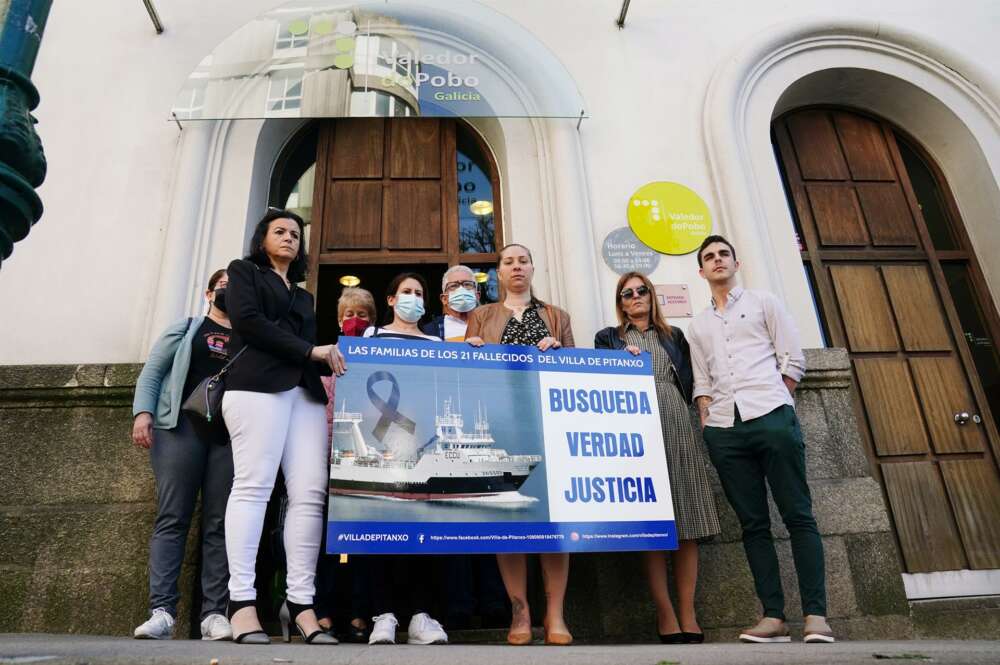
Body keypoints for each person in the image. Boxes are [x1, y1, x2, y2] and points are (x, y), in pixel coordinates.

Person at [687, 235, 833, 644]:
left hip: (771, 416)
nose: (717, 261)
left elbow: (793, 357)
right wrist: (706, 421)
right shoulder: (697, 325)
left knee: (798, 515)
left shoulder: (764, 302)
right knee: (753, 525)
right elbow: (702, 378)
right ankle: (773, 617)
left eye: (723, 255)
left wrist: (778, 399)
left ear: (737, 262)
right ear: (701, 271)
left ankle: (816, 615)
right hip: (724, 430)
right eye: (709, 258)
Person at [222, 208, 345, 645]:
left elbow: (310, 348)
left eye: (296, 233)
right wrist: (312, 350)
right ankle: (240, 602)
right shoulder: (243, 273)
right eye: (280, 231)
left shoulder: (305, 295)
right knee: (253, 487)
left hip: (304, 395)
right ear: (262, 239)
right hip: (256, 387)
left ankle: (301, 604)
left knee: (310, 494)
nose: (290, 238)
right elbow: (249, 323)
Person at [594, 271, 721, 644]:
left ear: (652, 296)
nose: (635, 297)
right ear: (620, 302)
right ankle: (665, 611)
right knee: (653, 521)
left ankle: (687, 610)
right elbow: (600, 377)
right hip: (635, 424)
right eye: (627, 293)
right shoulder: (609, 338)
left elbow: (694, 380)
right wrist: (622, 360)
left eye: (641, 291)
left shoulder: (673, 336)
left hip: (676, 421)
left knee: (687, 520)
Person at [465, 243, 575, 646]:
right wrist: (471, 350)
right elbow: (469, 377)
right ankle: (521, 613)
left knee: (554, 517)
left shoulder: (555, 316)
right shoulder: (481, 316)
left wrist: (559, 351)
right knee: (508, 519)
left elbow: (575, 372)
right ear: (497, 272)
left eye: (522, 260)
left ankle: (556, 615)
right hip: (500, 425)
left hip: (547, 422)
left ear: (533, 267)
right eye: (508, 262)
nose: (516, 267)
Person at [131, 269, 235, 641]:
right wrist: (143, 414)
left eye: (234, 287)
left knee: (219, 524)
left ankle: (213, 614)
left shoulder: (250, 337)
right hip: (179, 430)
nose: (228, 291)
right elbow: (153, 372)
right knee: (172, 517)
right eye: (223, 285)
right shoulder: (188, 327)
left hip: (227, 439)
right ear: (209, 293)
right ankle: (162, 612)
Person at [360, 272, 448, 645]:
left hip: (419, 442)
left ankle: (420, 617)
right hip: (379, 443)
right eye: (406, 292)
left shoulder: (435, 341)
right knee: (381, 529)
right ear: (391, 300)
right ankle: (384, 615)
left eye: (419, 292)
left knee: (421, 532)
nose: (413, 297)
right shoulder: (371, 336)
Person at [423, 265, 508, 630]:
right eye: (455, 286)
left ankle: (495, 603)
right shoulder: (426, 333)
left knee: (490, 516)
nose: (462, 290)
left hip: (488, 427)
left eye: (469, 285)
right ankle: (456, 604)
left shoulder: (495, 325)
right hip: (439, 431)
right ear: (443, 297)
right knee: (450, 517)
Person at [316, 286, 377, 643]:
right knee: (327, 545)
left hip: (368, 468)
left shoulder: (380, 362)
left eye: (363, 315)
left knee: (363, 547)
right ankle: (324, 610)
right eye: (349, 315)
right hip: (329, 463)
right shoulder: (324, 360)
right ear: (339, 320)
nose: (355, 321)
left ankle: (359, 612)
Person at [422, 264, 480, 341]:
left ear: (477, 296)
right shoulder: (428, 332)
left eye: (467, 284)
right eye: (453, 286)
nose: (461, 289)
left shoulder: (492, 326)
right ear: (444, 299)